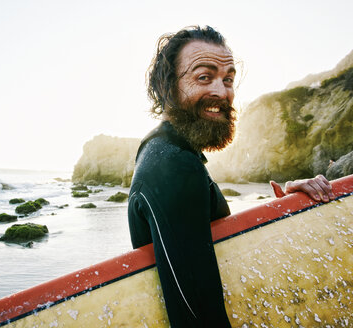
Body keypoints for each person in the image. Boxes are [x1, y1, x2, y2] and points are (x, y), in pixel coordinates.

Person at [127, 25, 335, 328]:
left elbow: (204, 239)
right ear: (167, 85)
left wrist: (282, 209)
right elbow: (195, 313)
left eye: (228, 79)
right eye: (204, 77)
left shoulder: (166, 151)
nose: (222, 92)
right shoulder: (172, 165)